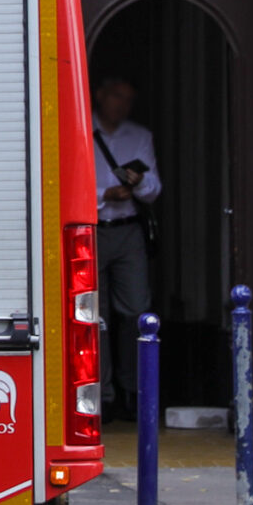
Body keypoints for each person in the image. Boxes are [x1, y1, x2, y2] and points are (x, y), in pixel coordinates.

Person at [94, 74, 162, 417]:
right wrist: (105, 194)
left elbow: (154, 189)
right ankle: (101, 395)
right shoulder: (79, 129)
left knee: (136, 310)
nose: (122, 104)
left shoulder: (140, 136)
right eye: (117, 96)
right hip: (91, 229)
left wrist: (138, 184)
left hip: (128, 231)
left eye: (128, 99)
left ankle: (134, 391)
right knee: (96, 316)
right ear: (100, 95)